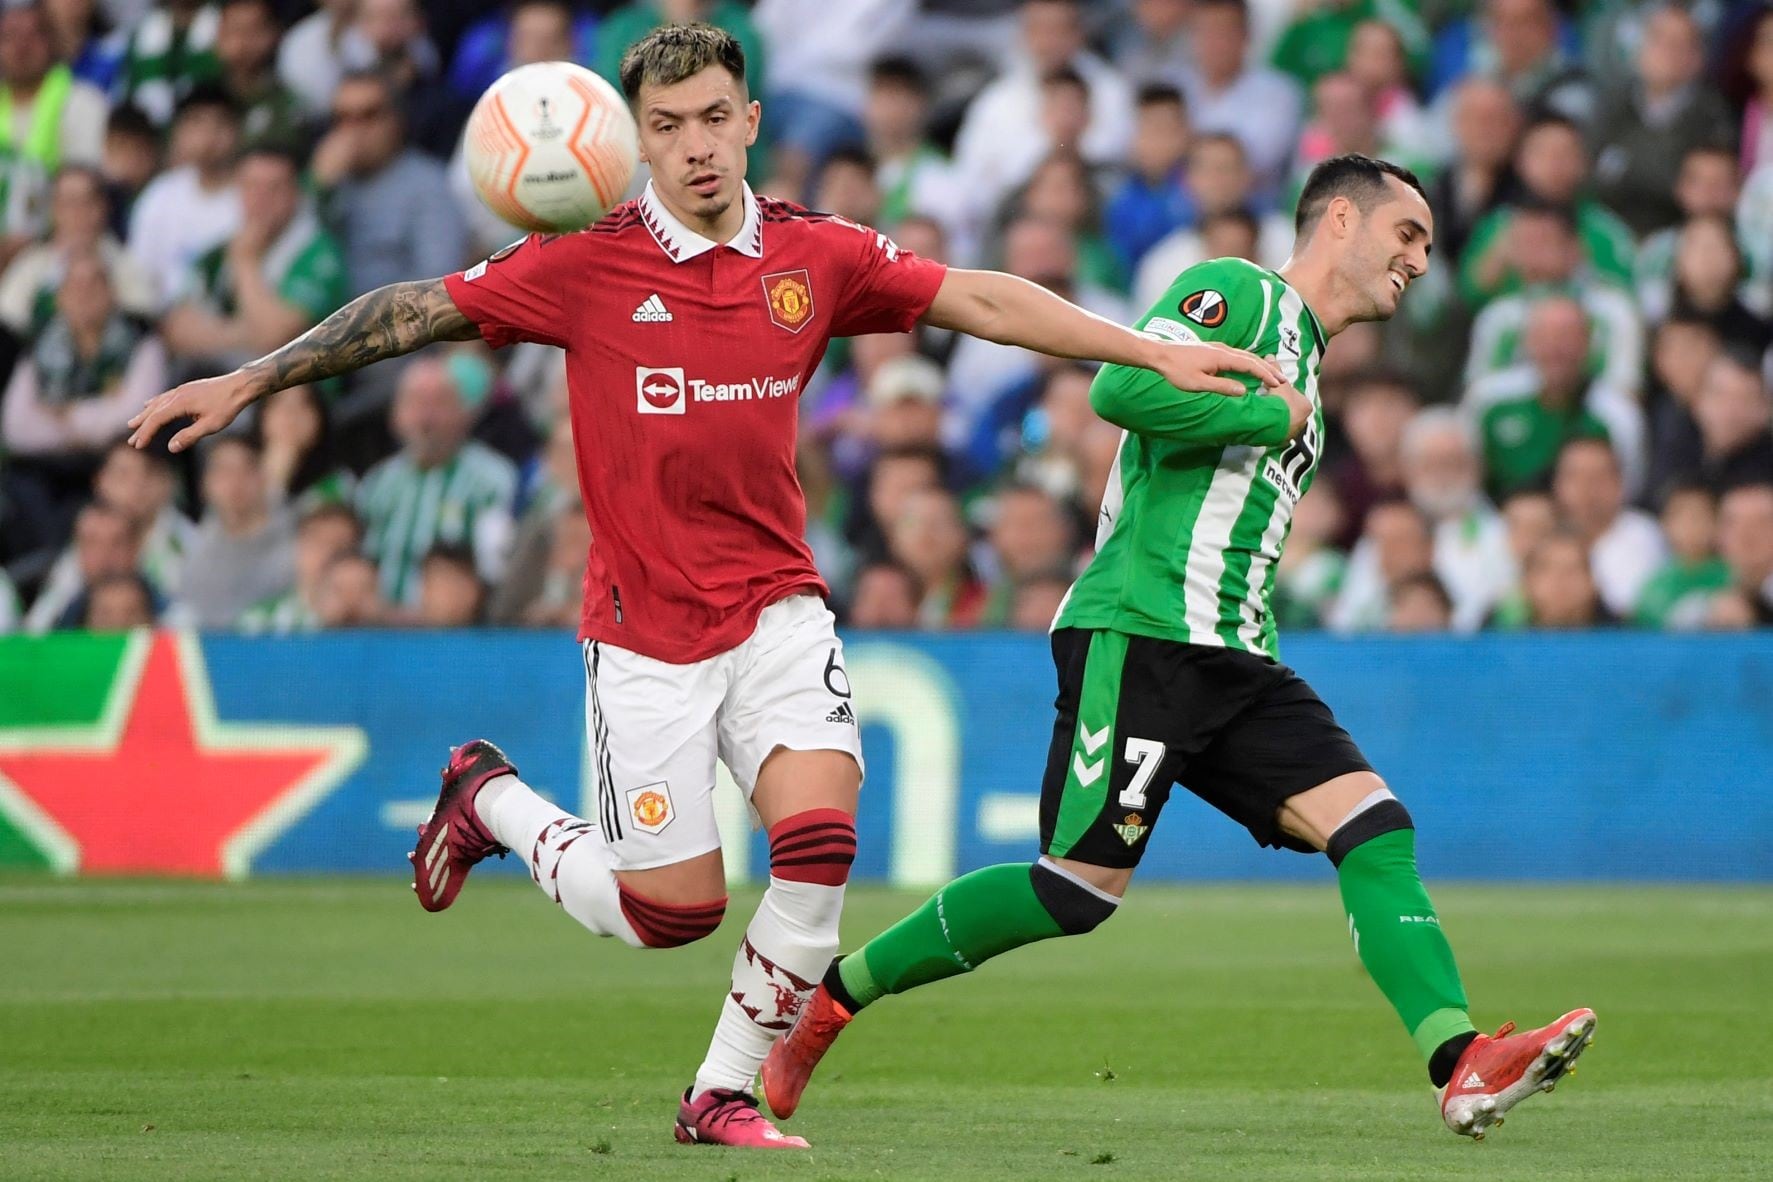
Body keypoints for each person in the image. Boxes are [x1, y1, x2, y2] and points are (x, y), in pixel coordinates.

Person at [125, 22, 1279, 1151]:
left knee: (821, 843)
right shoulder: (582, 261)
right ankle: (489, 799)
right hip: (645, 636)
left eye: (716, 119)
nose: (697, 146)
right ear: (637, 141)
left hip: (779, 608)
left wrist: (1145, 348)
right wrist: (252, 377)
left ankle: (719, 1095)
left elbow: (976, 297)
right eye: (669, 126)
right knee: (668, 914)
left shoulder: (813, 254)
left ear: (751, 122)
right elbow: (413, 313)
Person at [761, 154, 1595, 1144]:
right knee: (1071, 892)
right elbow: (1118, 389)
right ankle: (829, 1002)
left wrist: (1284, 409)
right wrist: (1266, 410)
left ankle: (1461, 1061)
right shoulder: (1238, 291)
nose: (1419, 258)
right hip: (1144, 631)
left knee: (1375, 828)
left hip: (1238, 655)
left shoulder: (1312, 365)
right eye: (1405, 234)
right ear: (1339, 219)